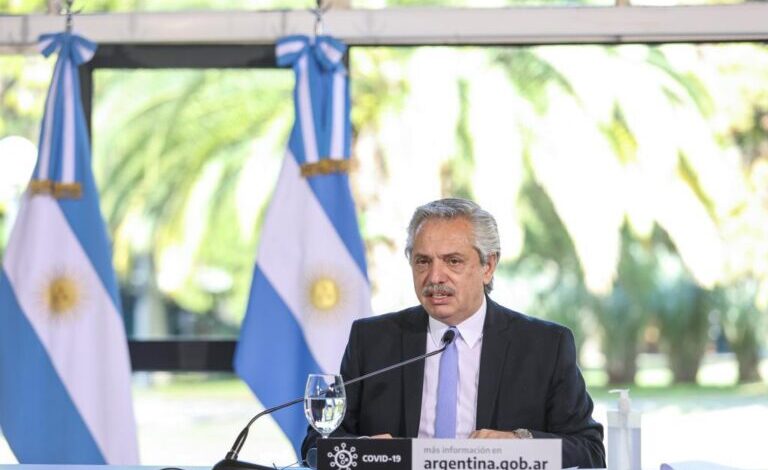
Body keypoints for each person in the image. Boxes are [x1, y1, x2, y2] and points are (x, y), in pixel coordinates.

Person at [301, 198, 605, 468]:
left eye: (453, 261)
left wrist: (519, 443)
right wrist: (362, 452)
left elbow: (590, 451)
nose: (434, 277)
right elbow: (316, 444)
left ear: (488, 266)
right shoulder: (373, 340)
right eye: (423, 262)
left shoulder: (544, 347)